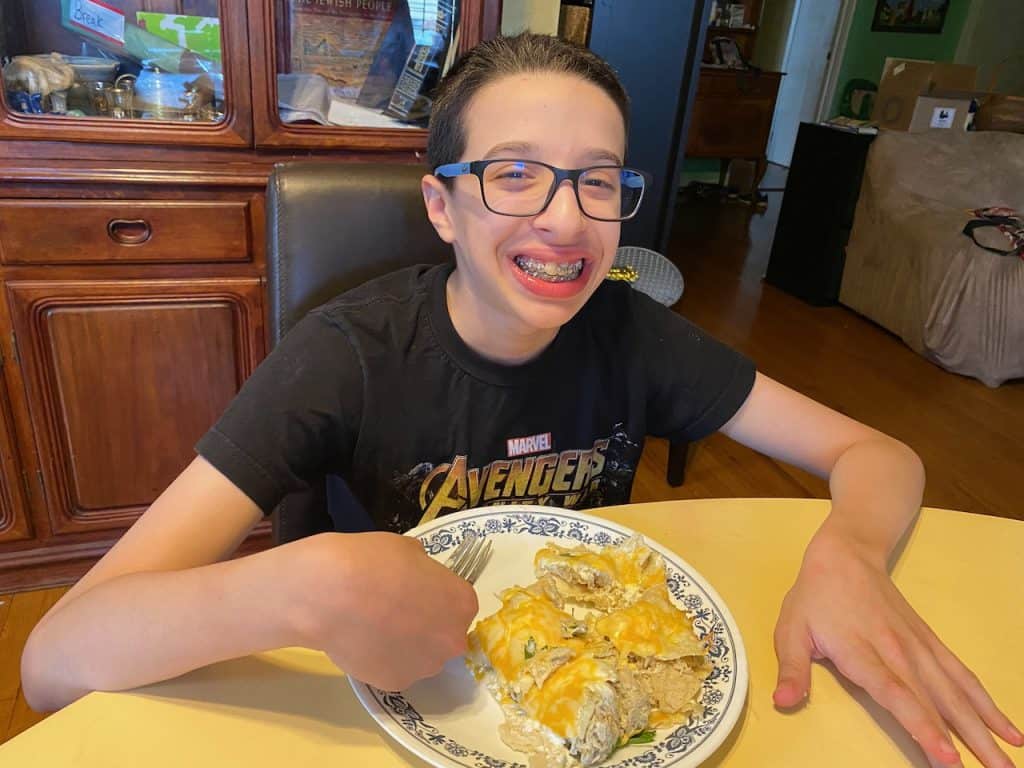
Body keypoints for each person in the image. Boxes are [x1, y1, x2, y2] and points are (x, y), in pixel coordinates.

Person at [20, 33, 1020, 768]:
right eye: (514, 176)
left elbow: (879, 455)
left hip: (575, 712)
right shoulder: (345, 355)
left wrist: (844, 558)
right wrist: (299, 590)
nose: (564, 218)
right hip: (378, 716)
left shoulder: (632, 333)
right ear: (441, 204)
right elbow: (54, 661)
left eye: (596, 183)